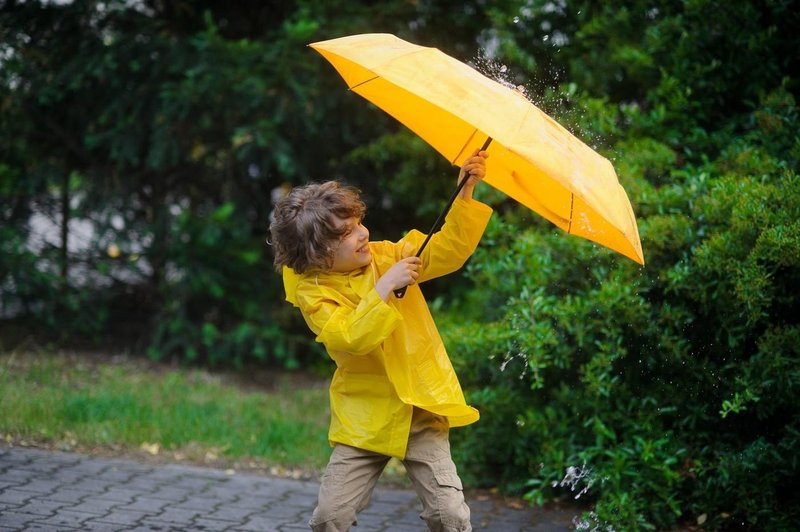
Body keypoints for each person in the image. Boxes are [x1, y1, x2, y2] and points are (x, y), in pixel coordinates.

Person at [269, 149, 491, 532]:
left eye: (359, 223)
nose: (363, 234)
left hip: (420, 408)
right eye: (348, 232)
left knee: (449, 516)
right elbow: (349, 337)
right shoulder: (313, 292)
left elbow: (447, 249)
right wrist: (385, 288)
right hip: (365, 414)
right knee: (330, 517)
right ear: (318, 255)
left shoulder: (387, 257)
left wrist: (465, 194)